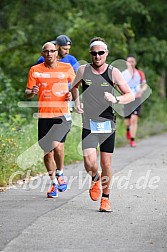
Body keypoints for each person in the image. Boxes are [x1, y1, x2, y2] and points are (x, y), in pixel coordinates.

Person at [71, 37, 135, 212]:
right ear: (90, 54)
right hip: (89, 122)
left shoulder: (113, 72)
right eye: (94, 53)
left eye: (100, 53)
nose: (97, 56)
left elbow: (130, 94)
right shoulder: (83, 70)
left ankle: (105, 199)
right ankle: (95, 178)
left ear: (106, 53)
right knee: (89, 161)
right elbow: (73, 87)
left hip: (107, 123)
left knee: (106, 163)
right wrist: (77, 102)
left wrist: (116, 98)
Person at [25, 42, 75, 198]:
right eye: (46, 52)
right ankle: (53, 183)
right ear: (42, 54)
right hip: (44, 115)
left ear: (56, 53)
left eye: (52, 51)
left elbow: (74, 87)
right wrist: (31, 92)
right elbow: (27, 92)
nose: (49, 54)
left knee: (58, 148)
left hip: (62, 114)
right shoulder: (35, 70)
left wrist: (71, 95)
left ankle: (60, 172)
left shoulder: (66, 68)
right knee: (47, 153)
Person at [37, 35, 79, 112]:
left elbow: (78, 75)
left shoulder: (71, 59)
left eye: (68, 49)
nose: (67, 52)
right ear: (57, 47)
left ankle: (67, 108)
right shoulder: (44, 59)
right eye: (64, 49)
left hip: (66, 92)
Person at [122, 55, 147, 147]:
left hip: (137, 98)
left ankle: (132, 140)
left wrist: (141, 90)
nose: (131, 63)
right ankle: (128, 130)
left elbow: (144, 85)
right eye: (129, 61)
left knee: (134, 118)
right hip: (127, 98)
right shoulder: (123, 74)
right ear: (126, 63)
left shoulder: (140, 73)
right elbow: (118, 85)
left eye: (132, 61)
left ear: (135, 63)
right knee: (127, 120)